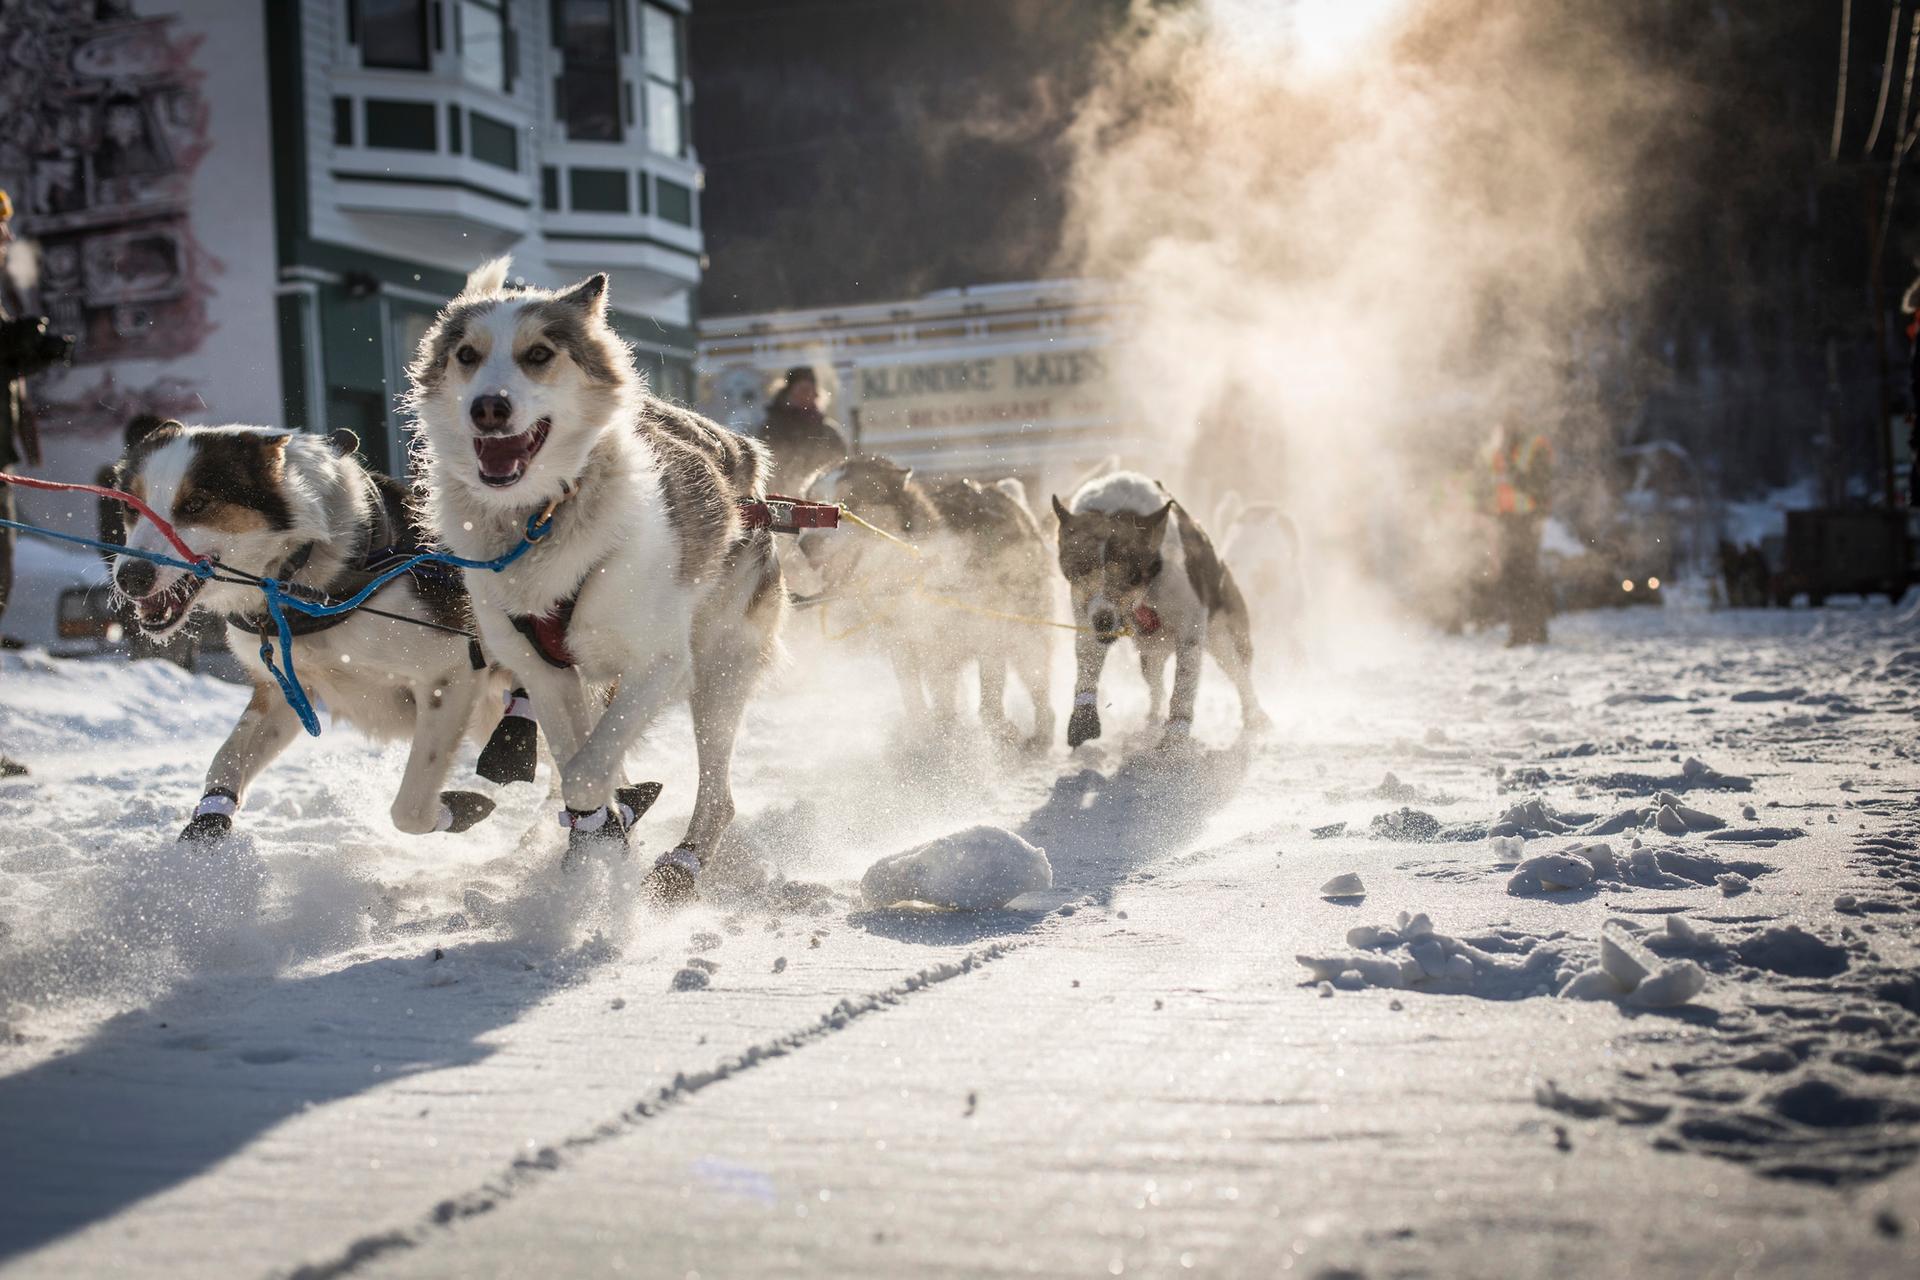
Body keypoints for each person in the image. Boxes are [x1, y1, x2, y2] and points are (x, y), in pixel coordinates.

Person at [1487, 421, 1554, 646]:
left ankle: (1537, 631)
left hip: (1528, 519)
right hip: (1506, 520)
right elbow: (1494, 487)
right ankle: (1518, 631)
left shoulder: (1535, 446)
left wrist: (1515, 474)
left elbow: (1542, 485)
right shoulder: (1498, 450)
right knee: (1510, 577)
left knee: (1527, 577)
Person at [757, 365, 849, 493]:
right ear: (789, 394)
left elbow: (840, 465)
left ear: (817, 394)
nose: (806, 395)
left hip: (820, 495)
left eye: (809, 390)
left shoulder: (828, 431)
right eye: (802, 390)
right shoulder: (772, 428)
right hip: (781, 495)